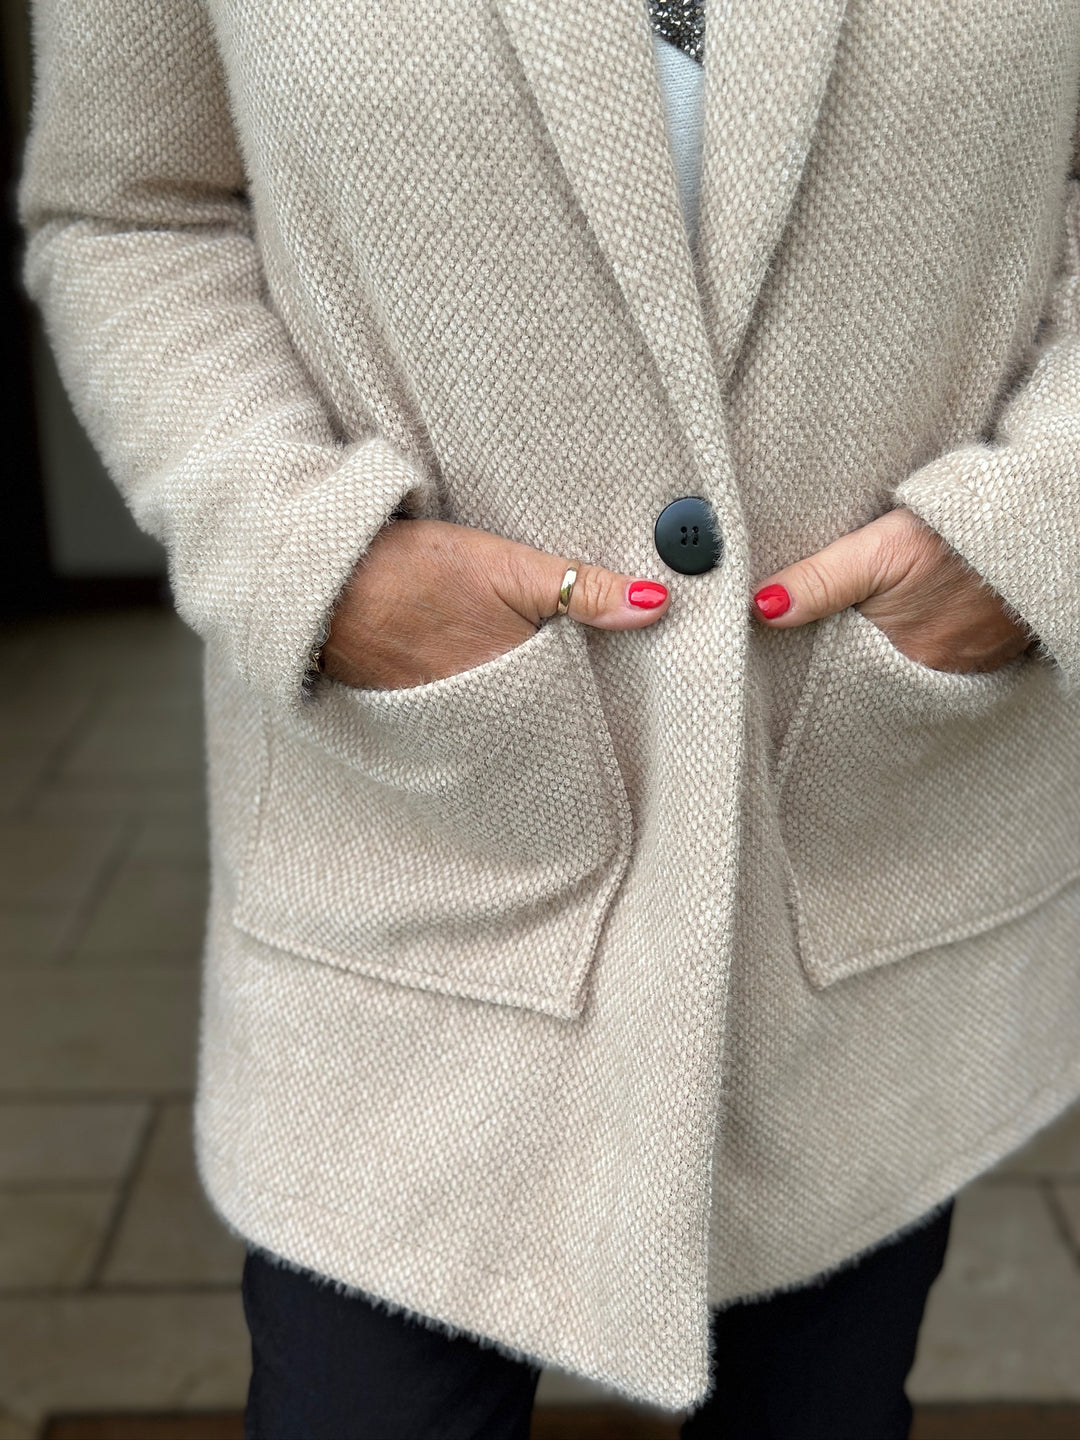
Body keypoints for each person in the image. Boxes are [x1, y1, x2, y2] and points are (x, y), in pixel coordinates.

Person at [19, 0, 1080, 1435]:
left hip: (856, 848)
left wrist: (1033, 529)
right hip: (412, 842)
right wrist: (301, 550)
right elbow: (131, 210)